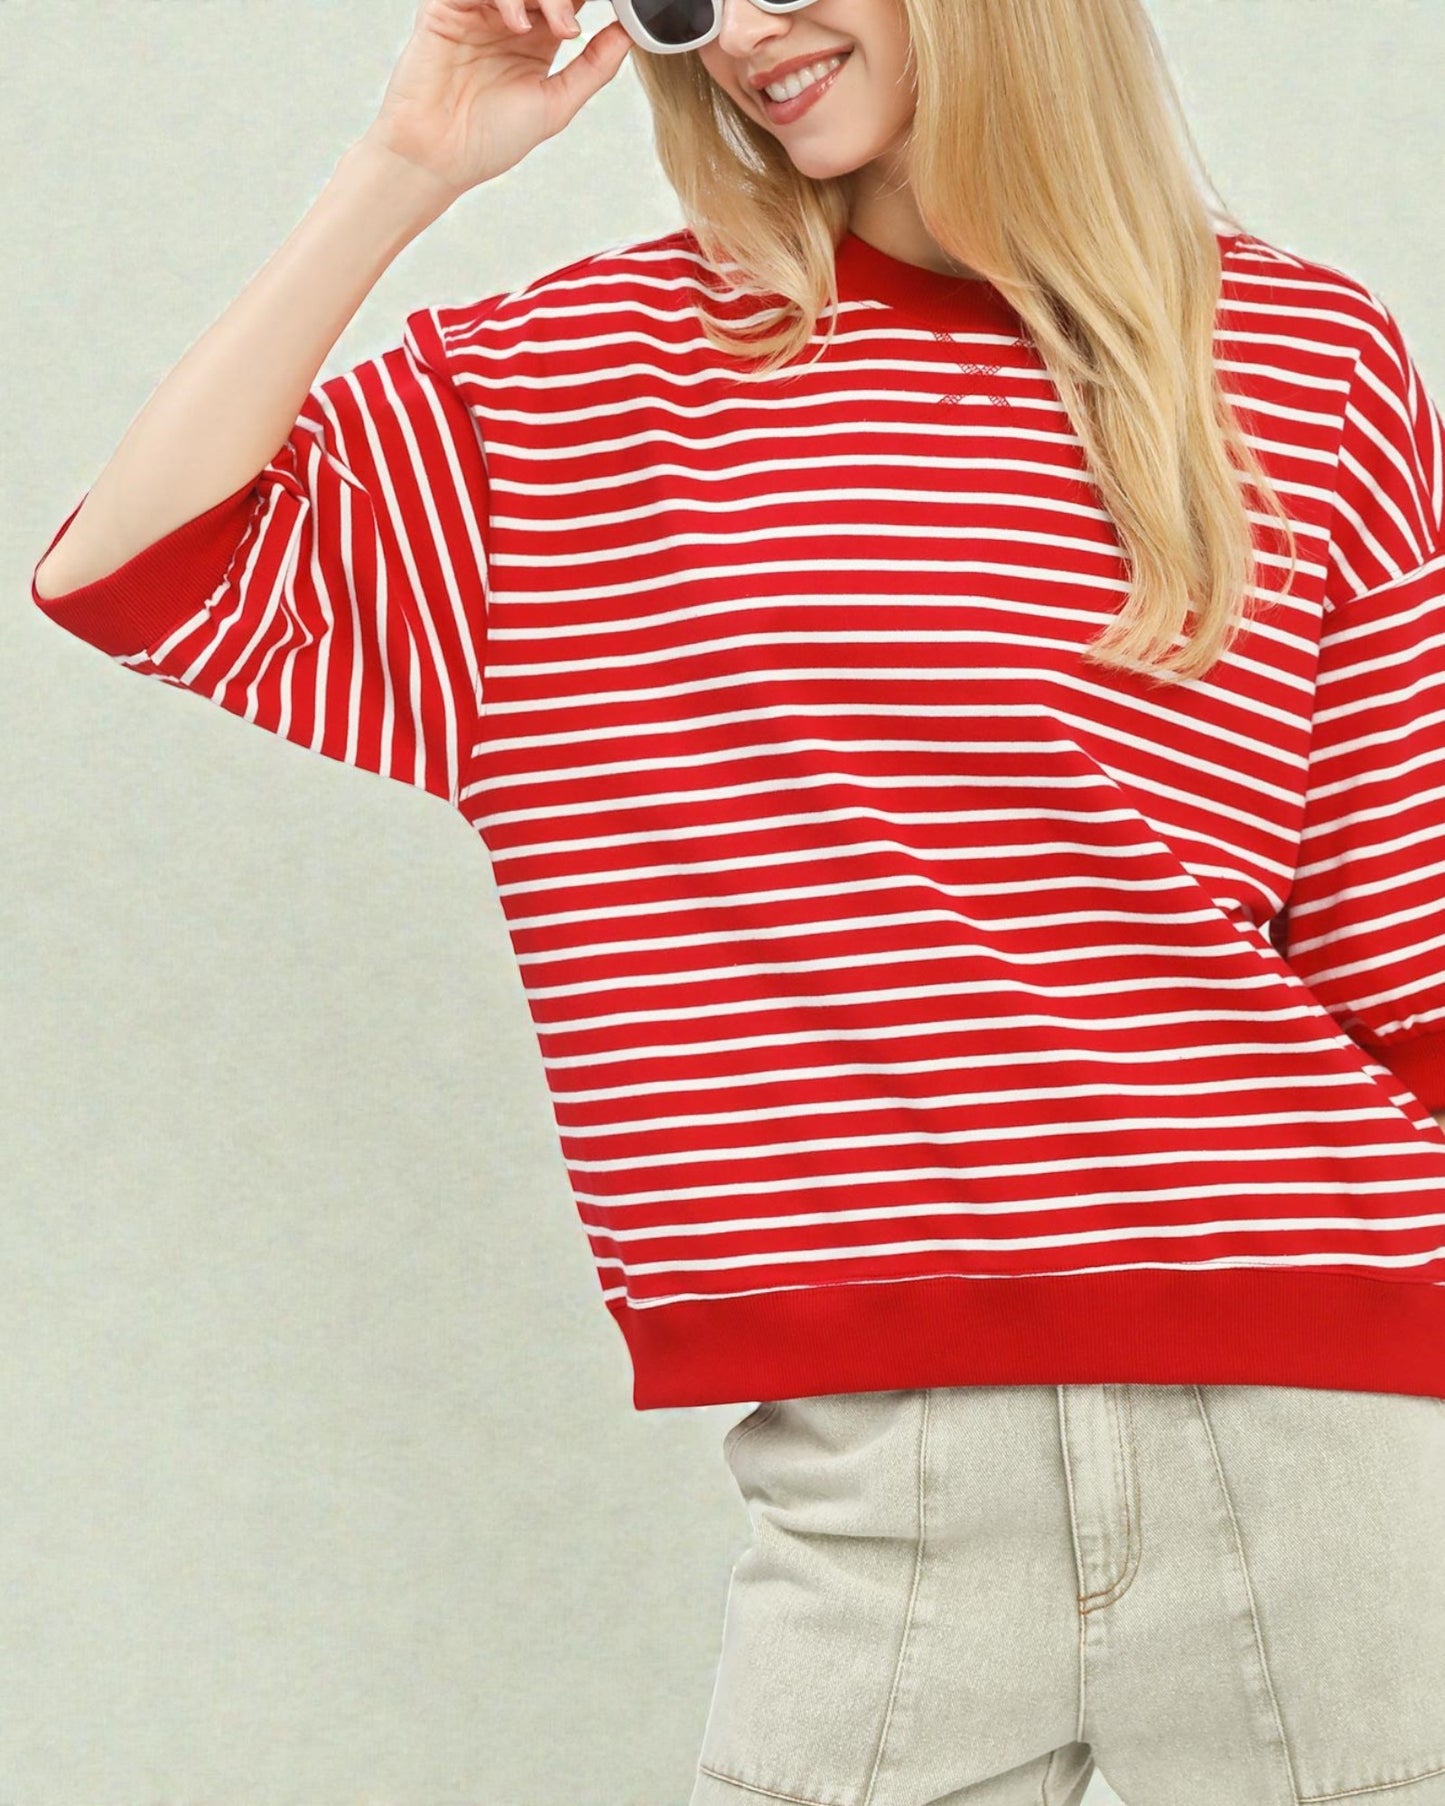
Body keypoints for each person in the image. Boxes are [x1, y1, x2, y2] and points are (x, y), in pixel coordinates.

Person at [30, 0, 1445, 1800]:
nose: (745, 29)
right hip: (867, 1473)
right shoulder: (579, 388)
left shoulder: (1305, 354)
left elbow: (1405, 946)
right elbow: (137, 568)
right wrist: (405, 164)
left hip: (1319, 1418)